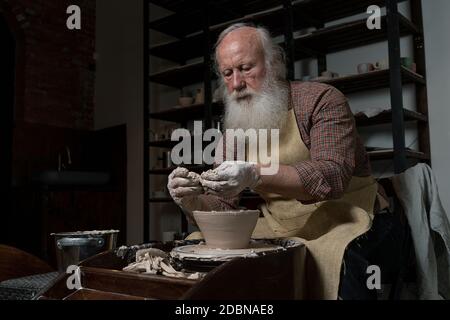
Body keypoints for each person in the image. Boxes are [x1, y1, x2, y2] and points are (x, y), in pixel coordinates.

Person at [167, 23, 383, 299]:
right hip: (279, 222)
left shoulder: (321, 99)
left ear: (273, 65)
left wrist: (255, 174)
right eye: (228, 73)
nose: (236, 84)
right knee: (194, 251)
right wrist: (191, 200)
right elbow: (222, 204)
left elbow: (333, 175)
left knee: (345, 262)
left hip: (345, 215)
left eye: (246, 68)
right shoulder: (235, 128)